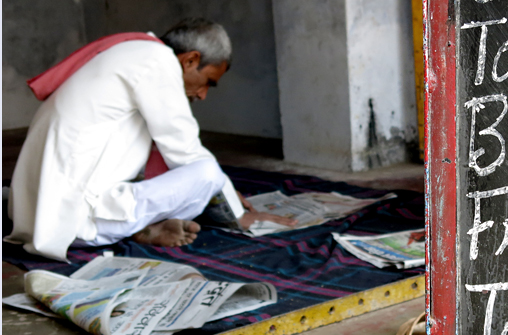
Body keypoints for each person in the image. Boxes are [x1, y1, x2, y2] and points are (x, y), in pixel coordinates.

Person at [5, 17, 293, 262]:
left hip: (32, 216)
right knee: (206, 174)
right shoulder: (157, 62)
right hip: (75, 226)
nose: (203, 94)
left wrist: (224, 191)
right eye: (208, 82)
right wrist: (235, 212)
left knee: (196, 172)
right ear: (190, 59)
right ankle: (136, 226)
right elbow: (185, 151)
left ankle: (143, 226)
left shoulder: (132, 52)